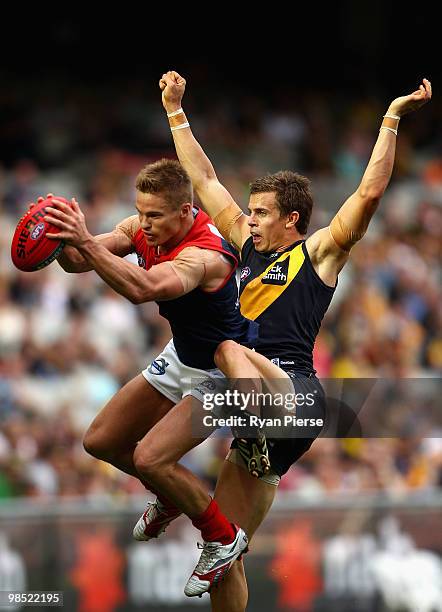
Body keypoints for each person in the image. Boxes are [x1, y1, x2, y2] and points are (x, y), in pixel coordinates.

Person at [157, 70, 432, 610]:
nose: (249, 219)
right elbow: (206, 180)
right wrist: (174, 112)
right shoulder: (246, 245)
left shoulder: (319, 253)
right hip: (250, 404)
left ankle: (176, 475)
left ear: (293, 219)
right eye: (251, 211)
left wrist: (392, 116)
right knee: (224, 553)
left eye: (261, 213)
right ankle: (204, 475)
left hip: (294, 395)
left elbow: (370, 192)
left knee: (223, 350)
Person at [40, 158, 259, 598]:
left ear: (184, 212)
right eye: (140, 212)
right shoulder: (144, 226)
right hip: (183, 355)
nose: (144, 223)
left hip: (223, 369)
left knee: (150, 459)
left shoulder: (205, 256)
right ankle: (171, 497)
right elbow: (80, 263)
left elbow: (142, 289)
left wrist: (84, 240)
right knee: (100, 441)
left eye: (154, 215)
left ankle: (221, 536)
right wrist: (57, 238)